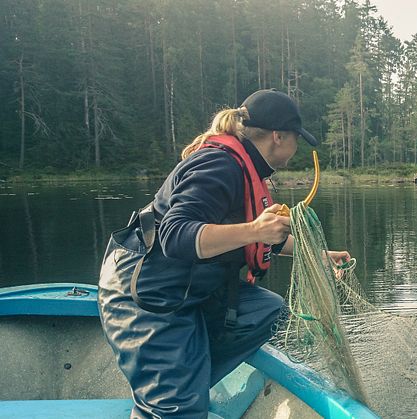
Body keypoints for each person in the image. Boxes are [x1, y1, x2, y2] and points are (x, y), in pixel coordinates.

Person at [98, 89, 350, 418]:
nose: (295, 148)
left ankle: (183, 378)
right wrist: (256, 229)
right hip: (147, 295)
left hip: (188, 289)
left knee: (266, 311)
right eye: (295, 139)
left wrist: (318, 255)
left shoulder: (247, 167)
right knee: (178, 411)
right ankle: (172, 397)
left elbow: (259, 240)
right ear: (278, 136)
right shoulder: (219, 164)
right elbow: (175, 235)